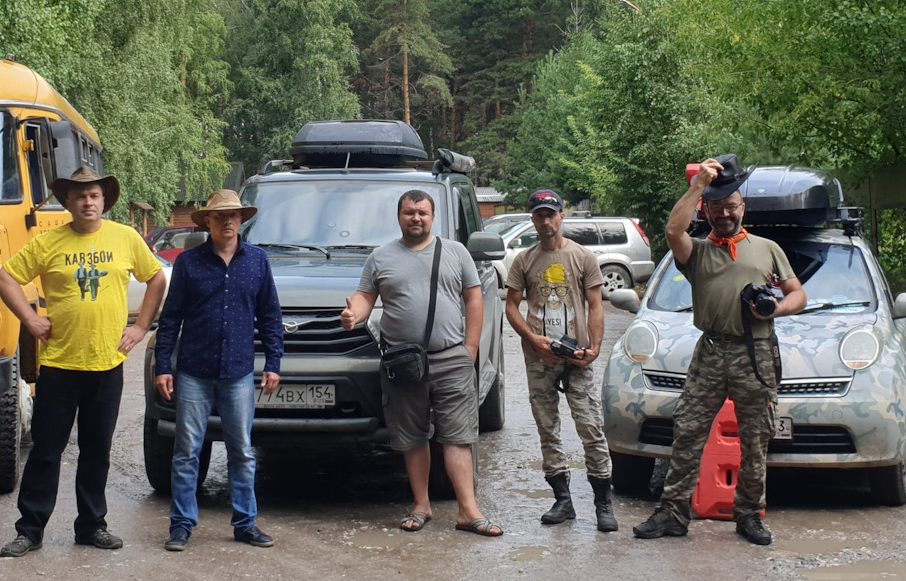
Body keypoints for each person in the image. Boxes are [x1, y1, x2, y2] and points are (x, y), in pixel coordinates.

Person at [634, 155, 805, 546]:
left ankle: (749, 515)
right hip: (710, 351)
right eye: (717, 207)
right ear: (707, 211)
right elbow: (672, 230)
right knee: (688, 431)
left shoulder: (767, 248)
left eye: (732, 206)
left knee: (756, 438)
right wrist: (699, 186)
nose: (725, 213)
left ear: (742, 208)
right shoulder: (696, 252)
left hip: (756, 352)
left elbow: (799, 295)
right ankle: (673, 513)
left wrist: (775, 308)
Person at [0, 167, 166, 557]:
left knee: (96, 450)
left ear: (104, 201)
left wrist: (141, 327)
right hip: (59, 365)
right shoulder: (48, 243)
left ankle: (91, 525)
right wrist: (30, 318)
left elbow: (156, 278)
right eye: (80, 197)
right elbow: (5, 278)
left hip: (107, 364)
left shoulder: (125, 238)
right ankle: (30, 530)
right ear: (67, 203)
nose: (88, 202)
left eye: (94, 196)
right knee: (46, 451)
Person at [340, 189, 502, 537]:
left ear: (432, 217)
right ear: (399, 217)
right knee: (412, 437)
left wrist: (469, 351)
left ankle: (468, 511)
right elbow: (365, 299)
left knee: (458, 436)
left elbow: (474, 300)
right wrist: (353, 315)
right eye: (409, 212)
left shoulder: (456, 253)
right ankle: (421, 506)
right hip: (403, 364)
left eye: (422, 213)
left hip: (451, 358)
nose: (416, 218)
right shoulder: (381, 257)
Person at [151, 189, 284, 552]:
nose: (228, 221)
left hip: (239, 372)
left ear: (242, 220)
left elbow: (270, 316)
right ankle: (180, 526)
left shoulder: (257, 261)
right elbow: (171, 319)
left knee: (241, 450)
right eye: (220, 216)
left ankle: (245, 523)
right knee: (186, 451)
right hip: (193, 370)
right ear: (207, 221)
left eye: (234, 215)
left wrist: (274, 362)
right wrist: (164, 365)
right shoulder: (189, 263)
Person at [503, 190, 617, 531]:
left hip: (577, 358)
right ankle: (563, 501)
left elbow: (596, 305)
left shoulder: (582, 257)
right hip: (539, 357)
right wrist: (531, 337)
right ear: (533, 219)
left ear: (562, 216)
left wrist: (594, 348)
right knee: (547, 428)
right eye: (540, 215)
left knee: (591, 428)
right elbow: (511, 305)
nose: (546, 221)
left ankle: (603, 505)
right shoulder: (524, 260)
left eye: (551, 214)